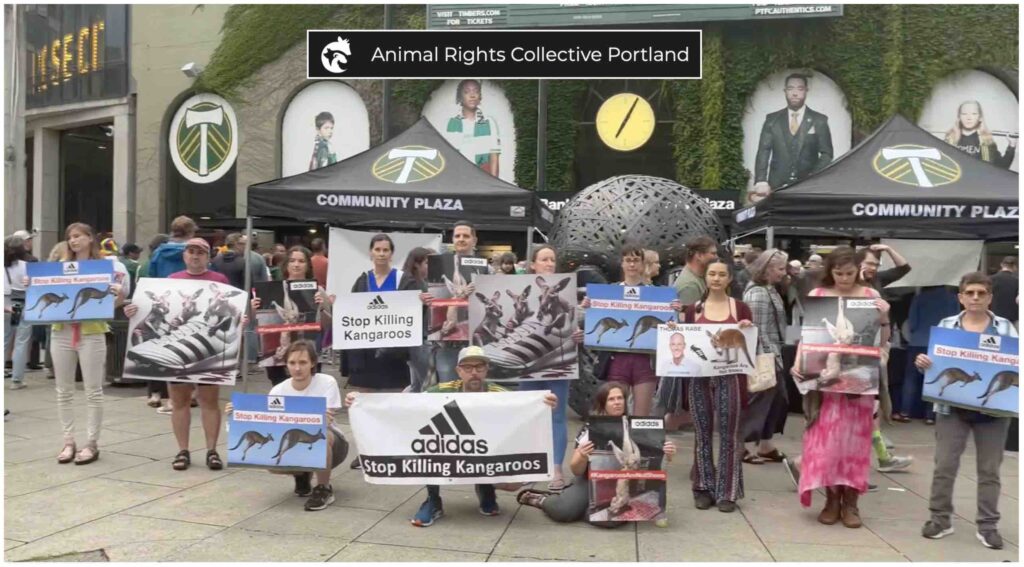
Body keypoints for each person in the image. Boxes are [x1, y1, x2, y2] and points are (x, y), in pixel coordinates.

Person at [345, 345, 556, 527]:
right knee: (431, 447)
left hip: (484, 451)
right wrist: (362, 400)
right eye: (468, 367)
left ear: (486, 369)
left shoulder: (500, 394)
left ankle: (485, 486)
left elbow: (527, 410)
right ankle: (433, 500)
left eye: (479, 367)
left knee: (514, 483)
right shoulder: (441, 391)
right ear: (458, 370)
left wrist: (545, 405)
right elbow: (403, 404)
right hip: (453, 448)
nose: (474, 372)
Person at [914, 272, 1017, 550]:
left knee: (989, 470)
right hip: (951, 409)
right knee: (945, 465)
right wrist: (923, 361)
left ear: (990, 297)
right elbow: (933, 361)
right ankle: (940, 519)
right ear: (960, 297)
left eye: (981, 293)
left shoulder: (1007, 328)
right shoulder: (947, 325)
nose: (975, 297)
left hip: (994, 413)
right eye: (969, 293)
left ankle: (988, 525)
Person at [789, 246, 889, 528]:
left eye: (849, 273)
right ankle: (831, 498)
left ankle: (852, 502)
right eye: (838, 273)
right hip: (826, 385)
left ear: (859, 270)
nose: (844, 278)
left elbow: (883, 337)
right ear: (829, 272)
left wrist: (884, 317)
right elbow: (808, 337)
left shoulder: (871, 296)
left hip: (860, 382)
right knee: (827, 444)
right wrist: (800, 363)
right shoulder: (820, 297)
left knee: (855, 445)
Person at [125, 237, 228, 471]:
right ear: (184, 256)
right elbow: (154, 310)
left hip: (207, 348)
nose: (195, 256)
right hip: (177, 348)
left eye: (200, 252)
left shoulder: (220, 281)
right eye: (191, 252)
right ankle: (183, 450)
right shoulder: (172, 281)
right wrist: (133, 310)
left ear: (208, 257)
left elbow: (227, 313)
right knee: (179, 401)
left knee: (209, 401)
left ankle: (212, 450)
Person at [516, 381, 677, 526]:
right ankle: (543, 499)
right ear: (603, 404)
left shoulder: (640, 427)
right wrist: (581, 455)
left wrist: (668, 453)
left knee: (611, 522)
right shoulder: (591, 428)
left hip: (624, 482)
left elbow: (656, 466)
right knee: (563, 511)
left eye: (620, 398)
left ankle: (584, 511)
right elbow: (575, 470)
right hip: (588, 480)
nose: (617, 403)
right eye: (611, 399)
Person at [225, 340, 348, 511]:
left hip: (332, 444)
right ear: (286, 364)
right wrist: (237, 414)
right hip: (296, 439)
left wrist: (319, 418)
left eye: (303, 362)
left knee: (323, 435)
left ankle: (323, 488)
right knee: (271, 459)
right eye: (292, 363)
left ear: (313, 363)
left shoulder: (327, 382)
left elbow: (326, 420)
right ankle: (302, 473)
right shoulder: (278, 390)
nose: (297, 368)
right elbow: (268, 422)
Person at [44, 223, 128, 465]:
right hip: (61, 331)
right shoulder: (59, 268)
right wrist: (33, 285)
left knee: (93, 390)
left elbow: (113, 303)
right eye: (70, 237)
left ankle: (91, 443)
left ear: (90, 238)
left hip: (91, 332)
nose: (73, 240)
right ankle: (68, 441)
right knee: (63, 391)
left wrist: (118, 293)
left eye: (78, 236)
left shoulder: (105, 267)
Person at [507, 244, 586, 491]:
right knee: (528, 413)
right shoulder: (526, 292)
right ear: (533, 264)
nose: (549, 263)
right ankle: (530, 465)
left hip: (559, 360)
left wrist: (578, 331)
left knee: (556, 414)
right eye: (544, 259)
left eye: (552, 259)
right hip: (529, 360)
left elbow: (575, 318)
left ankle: (555, 467)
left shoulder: (566, 293)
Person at [678, 259, 753, 512]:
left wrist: (747, 328)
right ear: (706, 277)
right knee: (702, 432)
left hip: (730, 376)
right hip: (699, 376)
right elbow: (685, 340)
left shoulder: (740, 308)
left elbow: (751, 339)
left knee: (729, 433)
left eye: (722, 274)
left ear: (730, 278)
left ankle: (727, 492)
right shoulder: (694, 309)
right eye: (712, 274)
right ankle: (702, 487)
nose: (717, 278)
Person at [588, 244, 677, 418]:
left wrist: (673, 320)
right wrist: (589, 306)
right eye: (628, 260)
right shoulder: (609, 292)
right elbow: (594, 316)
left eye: (636, 260)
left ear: (643, 264)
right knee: (614, 414)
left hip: (645, 362)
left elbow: (668, 328)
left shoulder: (658, 295)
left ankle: (638, 446)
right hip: (617, 361)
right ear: (621, 264)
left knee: (641, 417)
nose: (632, 265)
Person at [346, 235, 410, 470]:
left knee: (393, 403)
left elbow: (413, 308)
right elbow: (350, 312)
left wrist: (421, 300)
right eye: (377, 249)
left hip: (394, 353)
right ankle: (365, 451)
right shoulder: (362, 281)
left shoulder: (404, 279)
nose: (382, 253)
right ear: (371, 253)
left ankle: (392, 450)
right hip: (367, 351)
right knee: (365, 404)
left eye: (386, 250)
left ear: (392, 254)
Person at [857, 244, 914, 473]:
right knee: (866, 410)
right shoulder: (852, 287)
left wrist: (888, 249)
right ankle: (804, 463)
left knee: (873, 407)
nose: (873, 267)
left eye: (875, 264)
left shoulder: (876, 281)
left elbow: (904, 268)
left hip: (875, 350)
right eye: (869, 263)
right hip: (856, 355)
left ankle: (882, 456)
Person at [251, 246, 329, 388]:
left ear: (308, 265)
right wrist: (253, 309)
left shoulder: (318, 291)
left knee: (309, 391)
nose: (296, 264)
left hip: (308, 352)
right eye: (292, 260)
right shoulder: (270, 290)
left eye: (301, 261)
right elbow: (255, 323)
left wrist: (321, 307)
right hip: (278, 356)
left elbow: (329, 326)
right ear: (286, 264)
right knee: (280, 390)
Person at [751, 73, 834, 204]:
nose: (795, 93)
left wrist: (813, 178)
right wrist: (761, 180)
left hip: (808, 188)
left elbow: (827, 154)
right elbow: (763, 151)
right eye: (790, 89)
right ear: (785, 91)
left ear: (806, 91)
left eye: (800, 89)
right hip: (776, 186)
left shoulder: (819, 120)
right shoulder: (772, 120)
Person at [741, 249, 791, 465]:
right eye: (780, 268)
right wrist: (765, 359)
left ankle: (765, 443)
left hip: (772, 353)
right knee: (759, 402)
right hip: (766, 355)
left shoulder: (766, 289)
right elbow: (757, 330)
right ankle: (742, 445)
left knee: (776, 400)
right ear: (768, 269)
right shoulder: (759, 293)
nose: (784, 272)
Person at [432, 221, 489, 383]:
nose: (461, 239)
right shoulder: (440, 266)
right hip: (447, 344)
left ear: (474, 240)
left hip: (477, 344)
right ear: (453, 239)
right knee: (447, 389)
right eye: (457, 236)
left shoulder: (486, 269)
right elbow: (435, 302)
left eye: (466, 236)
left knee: (474, 390)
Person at [897, 286, 959, 424]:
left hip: (918, 341)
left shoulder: (919, 298)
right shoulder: (953, 299)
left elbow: (912, 323)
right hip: (942, 343)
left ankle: (905, 412)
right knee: (935, 378)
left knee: (910, 378)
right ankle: (930, 416)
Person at [399, 247, 437, 393]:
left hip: (419, 338)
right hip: (419, 338)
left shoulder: (420, 281)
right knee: (428, 383)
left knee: (417, 384)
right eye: (428, 262)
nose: (431, 267)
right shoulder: (412, 282)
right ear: (416, 263)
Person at [445, 79, 500, 177]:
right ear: (460, 97)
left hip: (483, 177)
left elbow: (494, 156)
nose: (472, 95)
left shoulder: (489, 123)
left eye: (476, 91)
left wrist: (494, 185)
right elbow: (449, 156)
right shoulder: (452, 123)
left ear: (480, 97)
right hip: (460, 177)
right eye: (467, 92)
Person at [944, 100, 1017, 169]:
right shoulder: (950, 139)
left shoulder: (987, 142)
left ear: (980, 117)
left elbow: (1002, 167)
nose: (969, 118)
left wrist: (1012, 146)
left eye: (974, 114)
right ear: (959, 117)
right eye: (964, 114)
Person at [4, 235, 32, 390]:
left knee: (4, 341)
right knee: (21, 342)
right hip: (20, 303)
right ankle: (17, 379)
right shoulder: (26, 266)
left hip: (5, 303)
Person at [673, 236, 718, 306]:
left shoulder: (698, 277)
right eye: (713, 253)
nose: (716, 257)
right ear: (699, 255)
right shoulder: (689, 287)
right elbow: (690, 315)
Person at [989, 256, 1018, 327]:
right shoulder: (1017, 281)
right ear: (1015, 267)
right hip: (1012, 318)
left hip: (994, 316)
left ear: (1001, 265)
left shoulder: (990, 279)